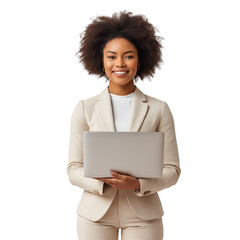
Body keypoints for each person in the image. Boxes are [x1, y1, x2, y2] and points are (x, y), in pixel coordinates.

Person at [67, 11, 181, 240]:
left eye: (128, 56)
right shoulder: (84, 108)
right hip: (95, 214)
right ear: (101, 60)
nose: (120, 63)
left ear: (141, 59)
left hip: (144, 215)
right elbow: (73, 168)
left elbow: (172, 170)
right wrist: (102, 183)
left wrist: (138, 184)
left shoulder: (159, 109)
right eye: (111, 56)